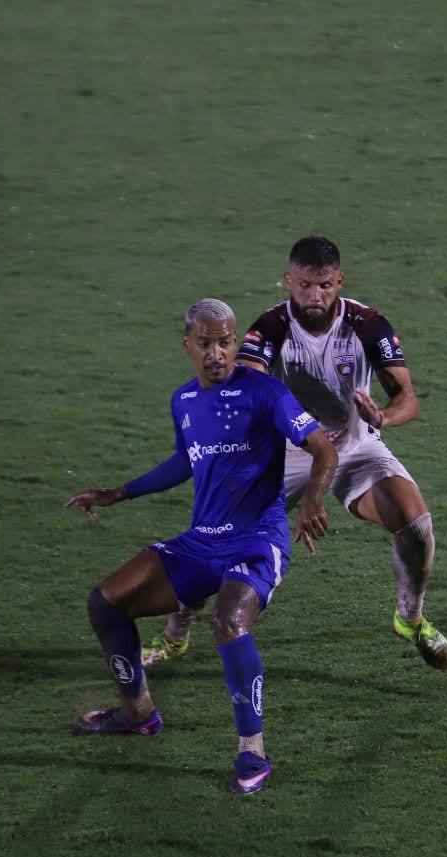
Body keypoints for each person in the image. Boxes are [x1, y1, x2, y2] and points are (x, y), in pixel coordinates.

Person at [143, 236, 447, 673]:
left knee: (417, 524)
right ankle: (175, 635)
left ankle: (411, 619)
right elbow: (246, 383)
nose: (315, 296)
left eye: (325, 285)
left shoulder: (367, 324)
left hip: (353, 445)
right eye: (305, 285)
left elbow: (408, 397)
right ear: (289, 280)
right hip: (289, 449)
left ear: (340, 281)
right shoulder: (269, 328)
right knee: (218, 534)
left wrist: (383, 417)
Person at [63, 298, 337, 795]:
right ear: (187, 344)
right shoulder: (183, 401)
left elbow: (324, 448)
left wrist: (312, 500)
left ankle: (252, 753)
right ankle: (138, 716)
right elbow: (185, 461)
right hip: (201, 540)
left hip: (257, 538)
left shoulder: (265, 392)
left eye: (226, 341)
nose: (217, 352)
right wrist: (118, 492)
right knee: (105, 603)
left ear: (236, 342)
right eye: (206, 343)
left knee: (228, 621)